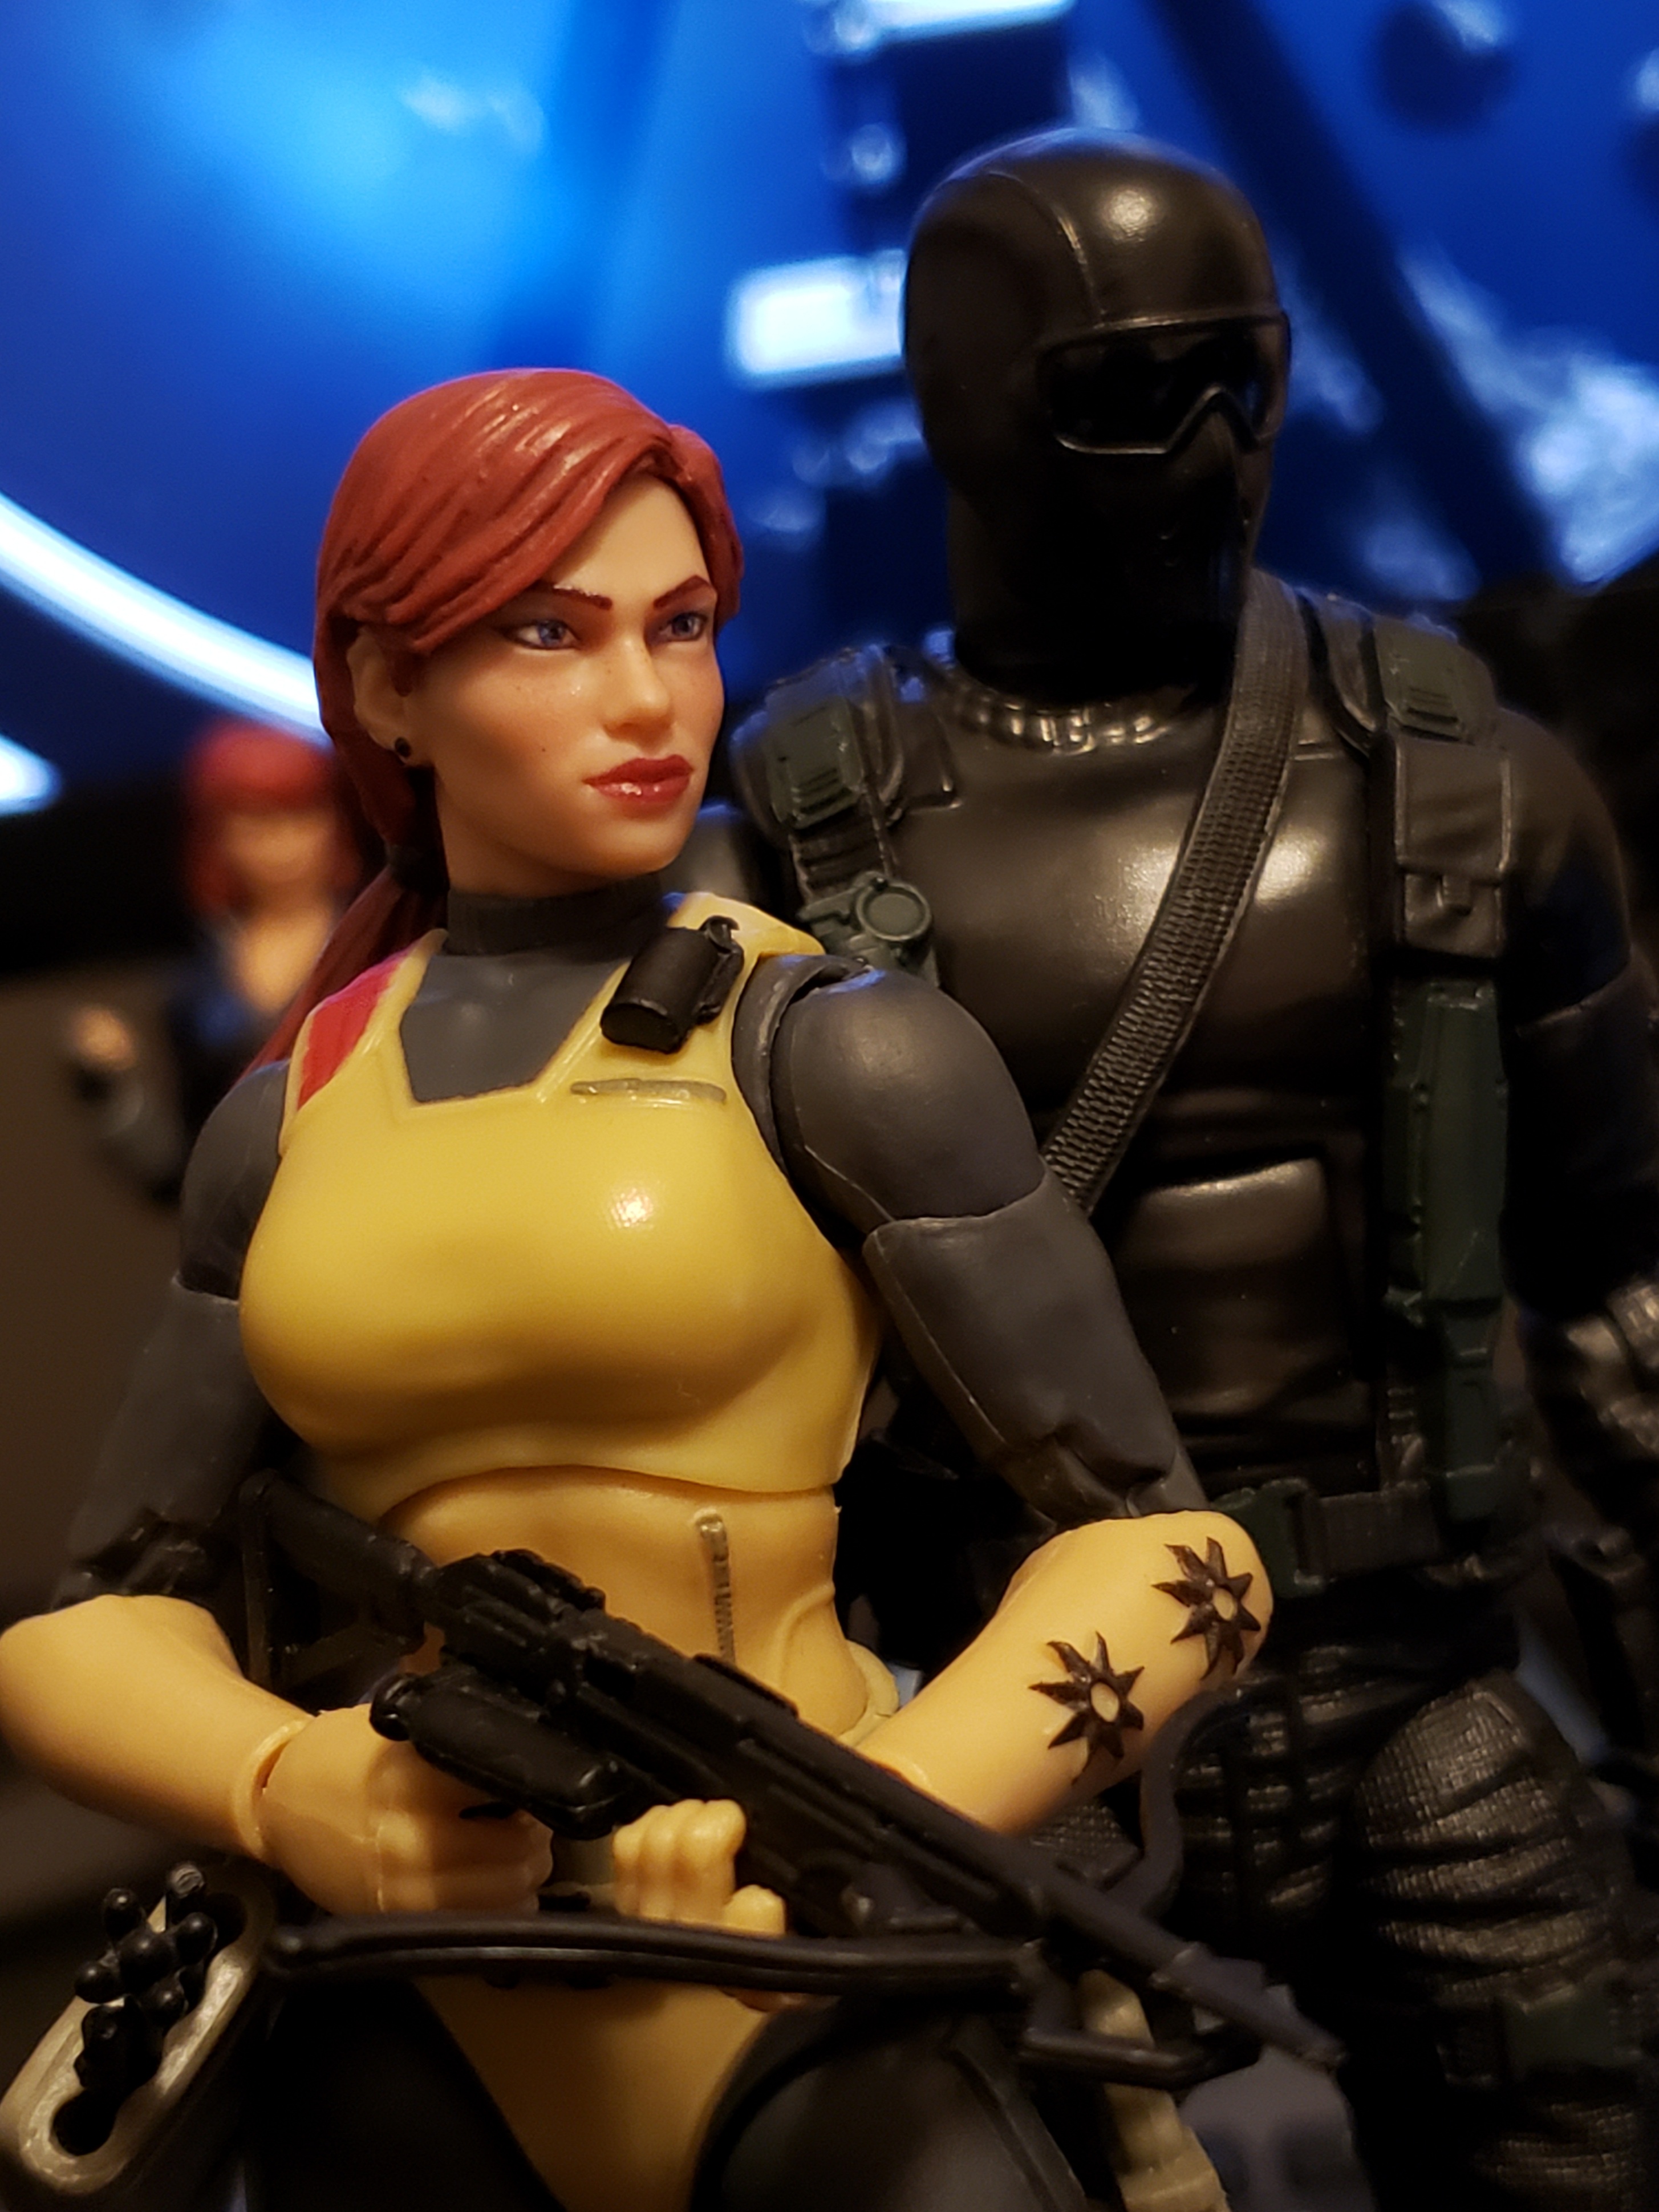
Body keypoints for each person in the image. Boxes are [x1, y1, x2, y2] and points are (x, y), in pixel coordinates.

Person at [0, 368, 1269, 2212]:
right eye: (549, 631)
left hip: (808, 1968)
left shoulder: (829, 1048)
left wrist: (890, 1811)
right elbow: (88, 1626)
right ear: (384, 685)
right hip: (421, 1988)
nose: (647, 697)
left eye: (679, 626)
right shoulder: (291, 1111)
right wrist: (292, 1784)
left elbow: (1176, 1554)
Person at [724, 131, 1659, 2212]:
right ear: (969, 402)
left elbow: (1620, 1297)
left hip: (1408, 1681)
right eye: (1135, 391)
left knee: (1574, 2116)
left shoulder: (1467, 787)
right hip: (1002, 1721)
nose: (1218, 445)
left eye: (1247, 375)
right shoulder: (788, 838)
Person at [66, 719, 363, 1199]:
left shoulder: (379, 942)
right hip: (247, 1219)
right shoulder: (199, 985)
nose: (283, 846)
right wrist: (113, 1081)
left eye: (302, 816)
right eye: (256, 824)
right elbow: (177, 1165)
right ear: (218, 837)